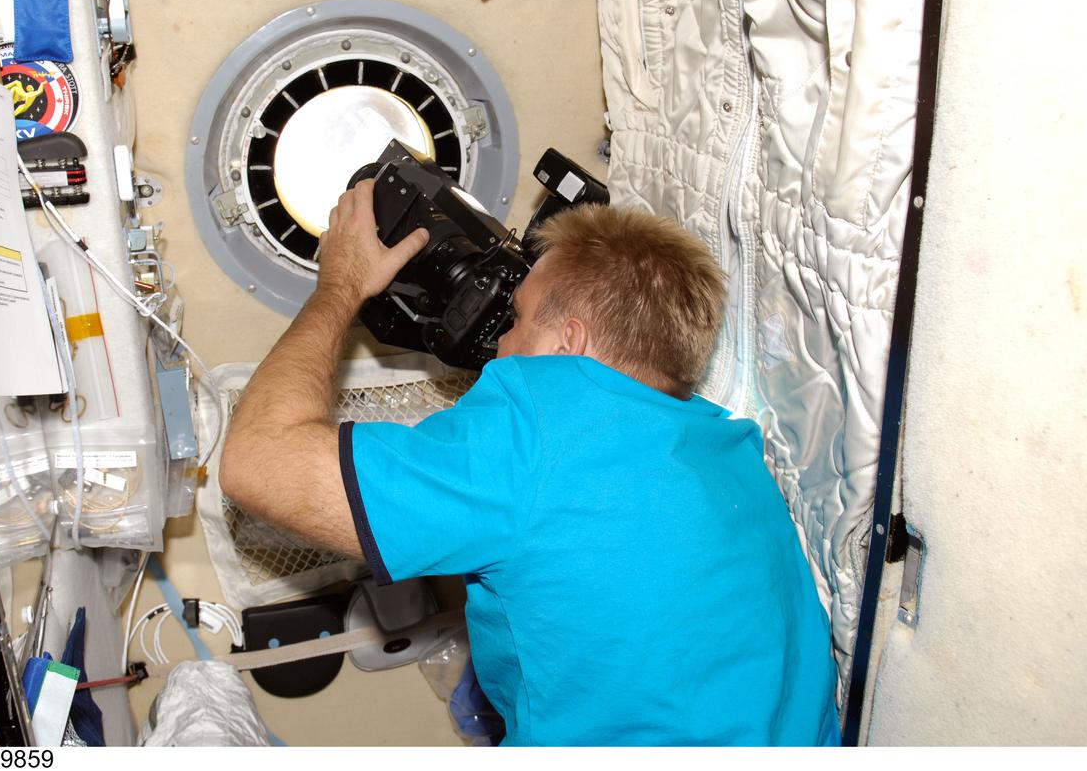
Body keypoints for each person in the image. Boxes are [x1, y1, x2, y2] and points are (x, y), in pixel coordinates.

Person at [220, 179, 841, 746]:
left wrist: (341, 285)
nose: (498, 351)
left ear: (569, 343)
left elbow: (256, 463)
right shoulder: (729, 447)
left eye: (515, 322)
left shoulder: (541, 421)